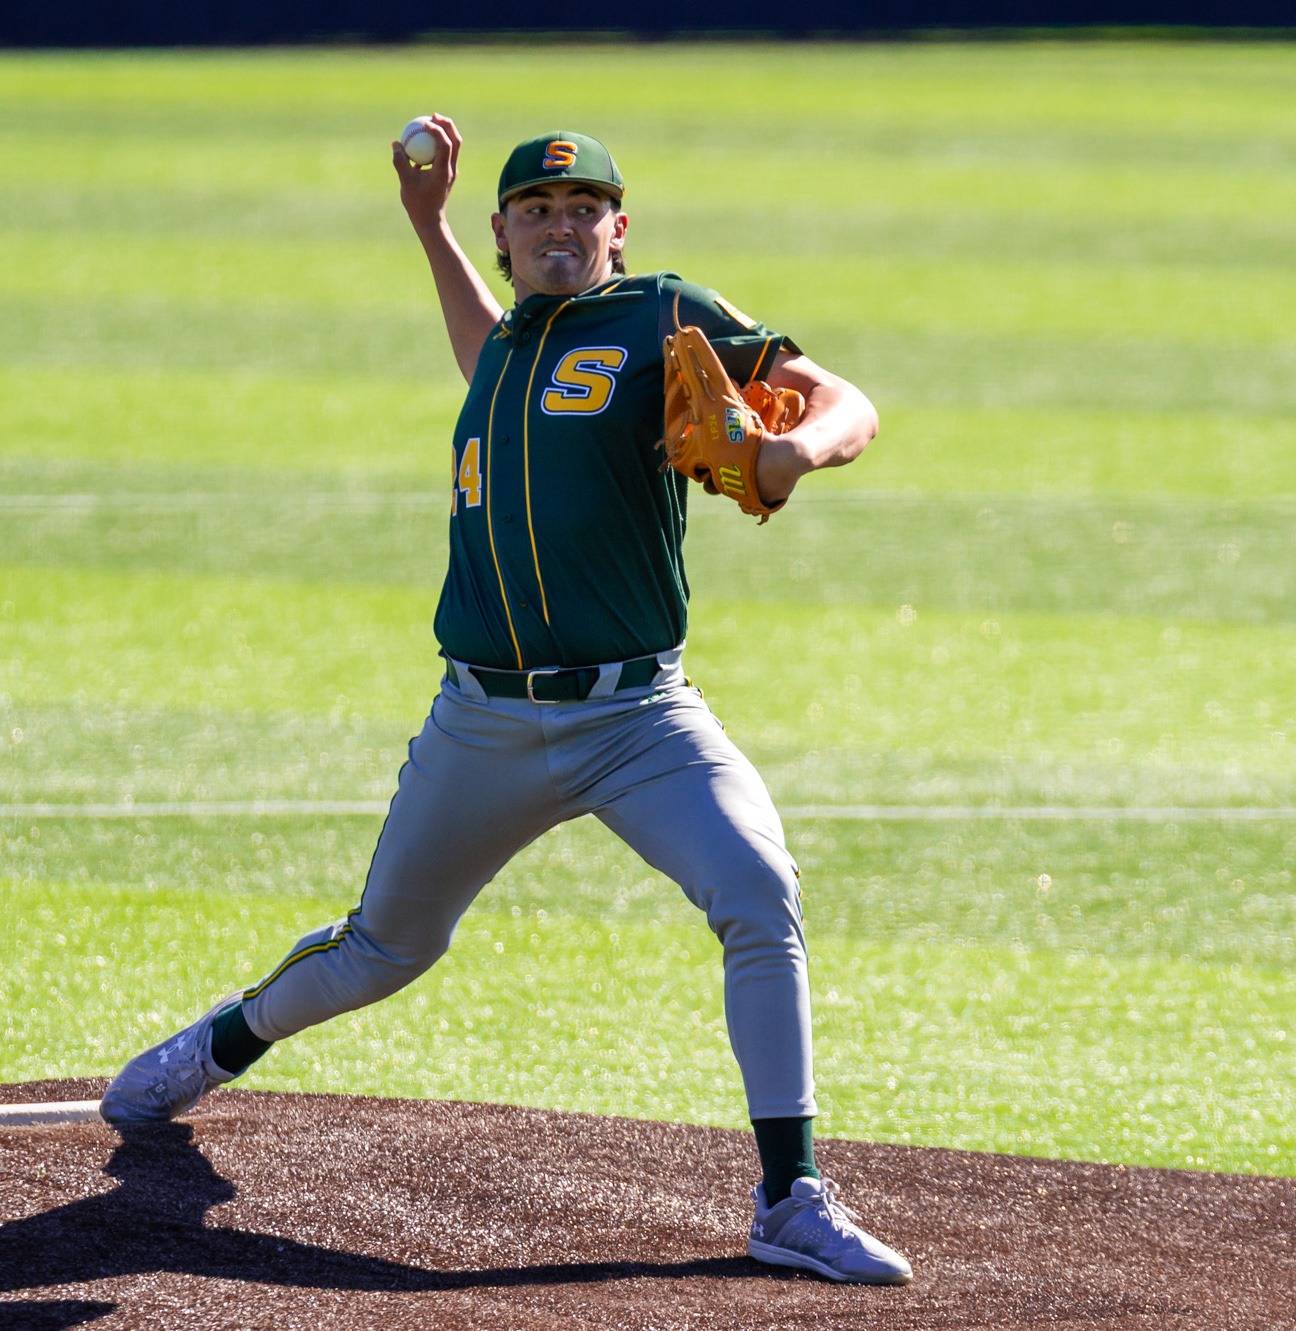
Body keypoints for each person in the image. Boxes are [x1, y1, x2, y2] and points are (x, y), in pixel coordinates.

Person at [101, 119, 909, 1286]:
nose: (559, 225)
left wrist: (796, 453)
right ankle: (220, 1041)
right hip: (479, 722)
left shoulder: (662, 314)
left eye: (583, 208)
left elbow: (844, 398)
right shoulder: (507, 348)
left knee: (756, 887)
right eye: (535, 209)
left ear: (618, 230)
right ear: (505, 231)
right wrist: (426, 226)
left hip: (638, 719)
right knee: (384, 947)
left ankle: (789, 1195)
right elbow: (482, 344)